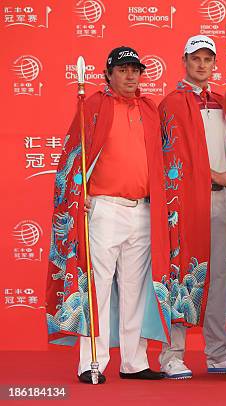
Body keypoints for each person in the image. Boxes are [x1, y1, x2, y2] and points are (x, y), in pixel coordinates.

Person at [46, 46, 169, 384]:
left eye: (135, 70)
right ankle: (92, 362)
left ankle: (134, 362)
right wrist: (77, 193)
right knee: (97, 287)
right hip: (104, 209)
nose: (131, 76)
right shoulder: (95, 105)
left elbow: (164, 161)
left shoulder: (149, 109)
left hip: (142, 209)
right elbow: (74, 155)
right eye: (123, 70)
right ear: (109, 73)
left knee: (136, 289)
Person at [157, 35, 226, 379]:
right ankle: (172, 355)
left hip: (221, 201)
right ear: (184, 61)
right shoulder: (172, 104)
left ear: (214, 65)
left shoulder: (224, 102)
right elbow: (175, 159)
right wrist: (216, 176)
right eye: (195, 58)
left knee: (218, 277)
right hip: (185, 202)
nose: (202, 64)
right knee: (183, 274)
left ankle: (216, 353)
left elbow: (222, 152)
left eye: (208, 59)